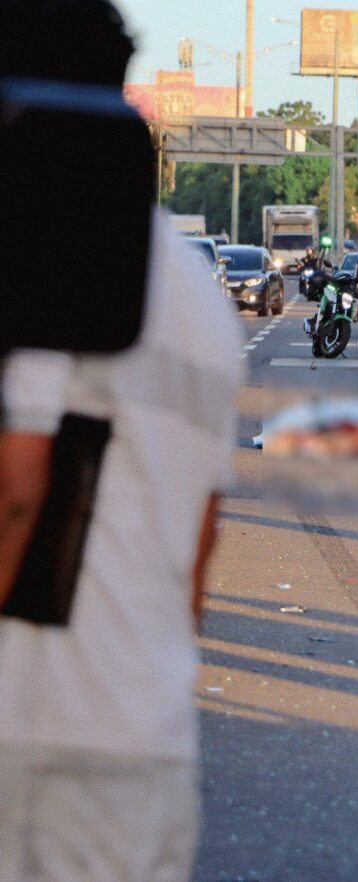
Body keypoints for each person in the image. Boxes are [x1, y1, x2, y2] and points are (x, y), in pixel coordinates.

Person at [0, 2, 244, 880]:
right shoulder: (197, 292)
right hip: (145, 745)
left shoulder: (42, 238)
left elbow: (16, 489)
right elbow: (199, 544)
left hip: (31, 737)